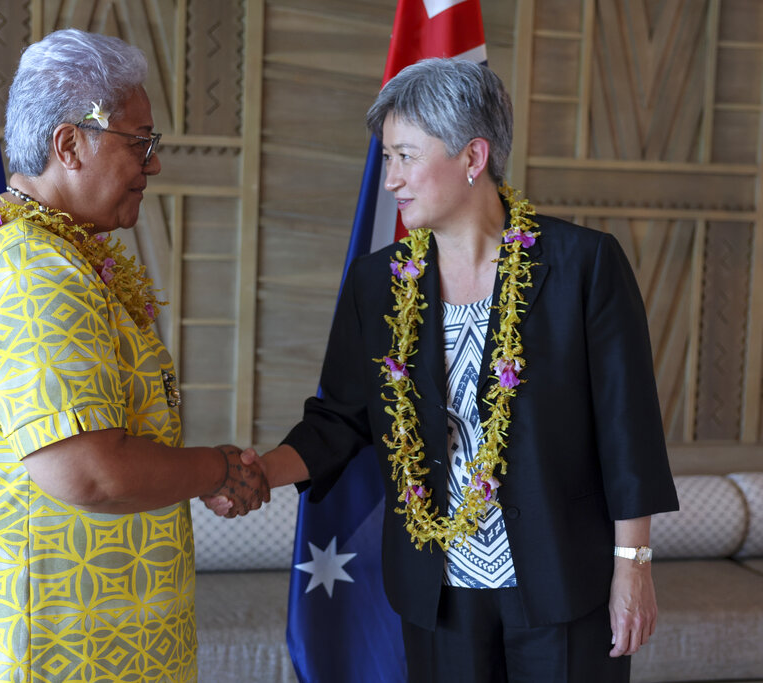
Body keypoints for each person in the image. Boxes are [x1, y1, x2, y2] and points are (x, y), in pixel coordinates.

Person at [206, 58, 679, 682]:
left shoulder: (583, 265)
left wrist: (633, 565)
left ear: (472, 157)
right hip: (438, 591)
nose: (391, 181)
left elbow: (629, 431)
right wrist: (259, 472)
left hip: (563, 583)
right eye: (388, 160)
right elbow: (340, 420)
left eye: (404, 157)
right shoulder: (376, 283)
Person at [0, 29, 268, 683]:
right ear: (68, 144)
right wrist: (216, 469)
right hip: (43, 642)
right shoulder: (29, 270)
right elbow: (88, 472)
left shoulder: (56, 254)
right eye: (140, 142)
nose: (153, 164)